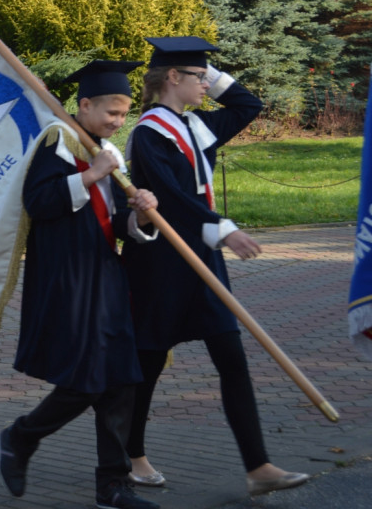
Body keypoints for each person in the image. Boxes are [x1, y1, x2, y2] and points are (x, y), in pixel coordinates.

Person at [122, 37, 309, 496]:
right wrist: (222, 228)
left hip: (203, 259)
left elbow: (249, 105)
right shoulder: (149, 133)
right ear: (172, 79)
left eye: (207, 78)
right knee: (148, 363)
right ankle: (132, 454)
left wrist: (209, 68)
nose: (207, 85)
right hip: (162, 263)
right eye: (199, 77)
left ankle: (258, 466)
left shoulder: (197, 126)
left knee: (231, 357)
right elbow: (173, 199)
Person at [0, 61, 160, 509]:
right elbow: (40, 201)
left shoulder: (104, 149)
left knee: (122, 378)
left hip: (106, 274)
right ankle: (20, 436)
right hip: (67, 276)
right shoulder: (58, 142)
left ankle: (112, 483)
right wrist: (91, 174)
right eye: (111, 112)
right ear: (84, 104)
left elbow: (113, 223)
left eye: (124, 113)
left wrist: (142, 214)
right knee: (89, 378)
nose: (118, 121)